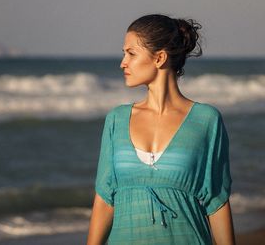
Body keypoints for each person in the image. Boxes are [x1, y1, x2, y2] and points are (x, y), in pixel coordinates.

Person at [87, 14, 236, 244]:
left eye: (131, 53)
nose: (122, 62)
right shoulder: (116, 119)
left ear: (159, 58)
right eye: (124, 53)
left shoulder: (206, 120)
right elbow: (105, 200)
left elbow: (216, 202)